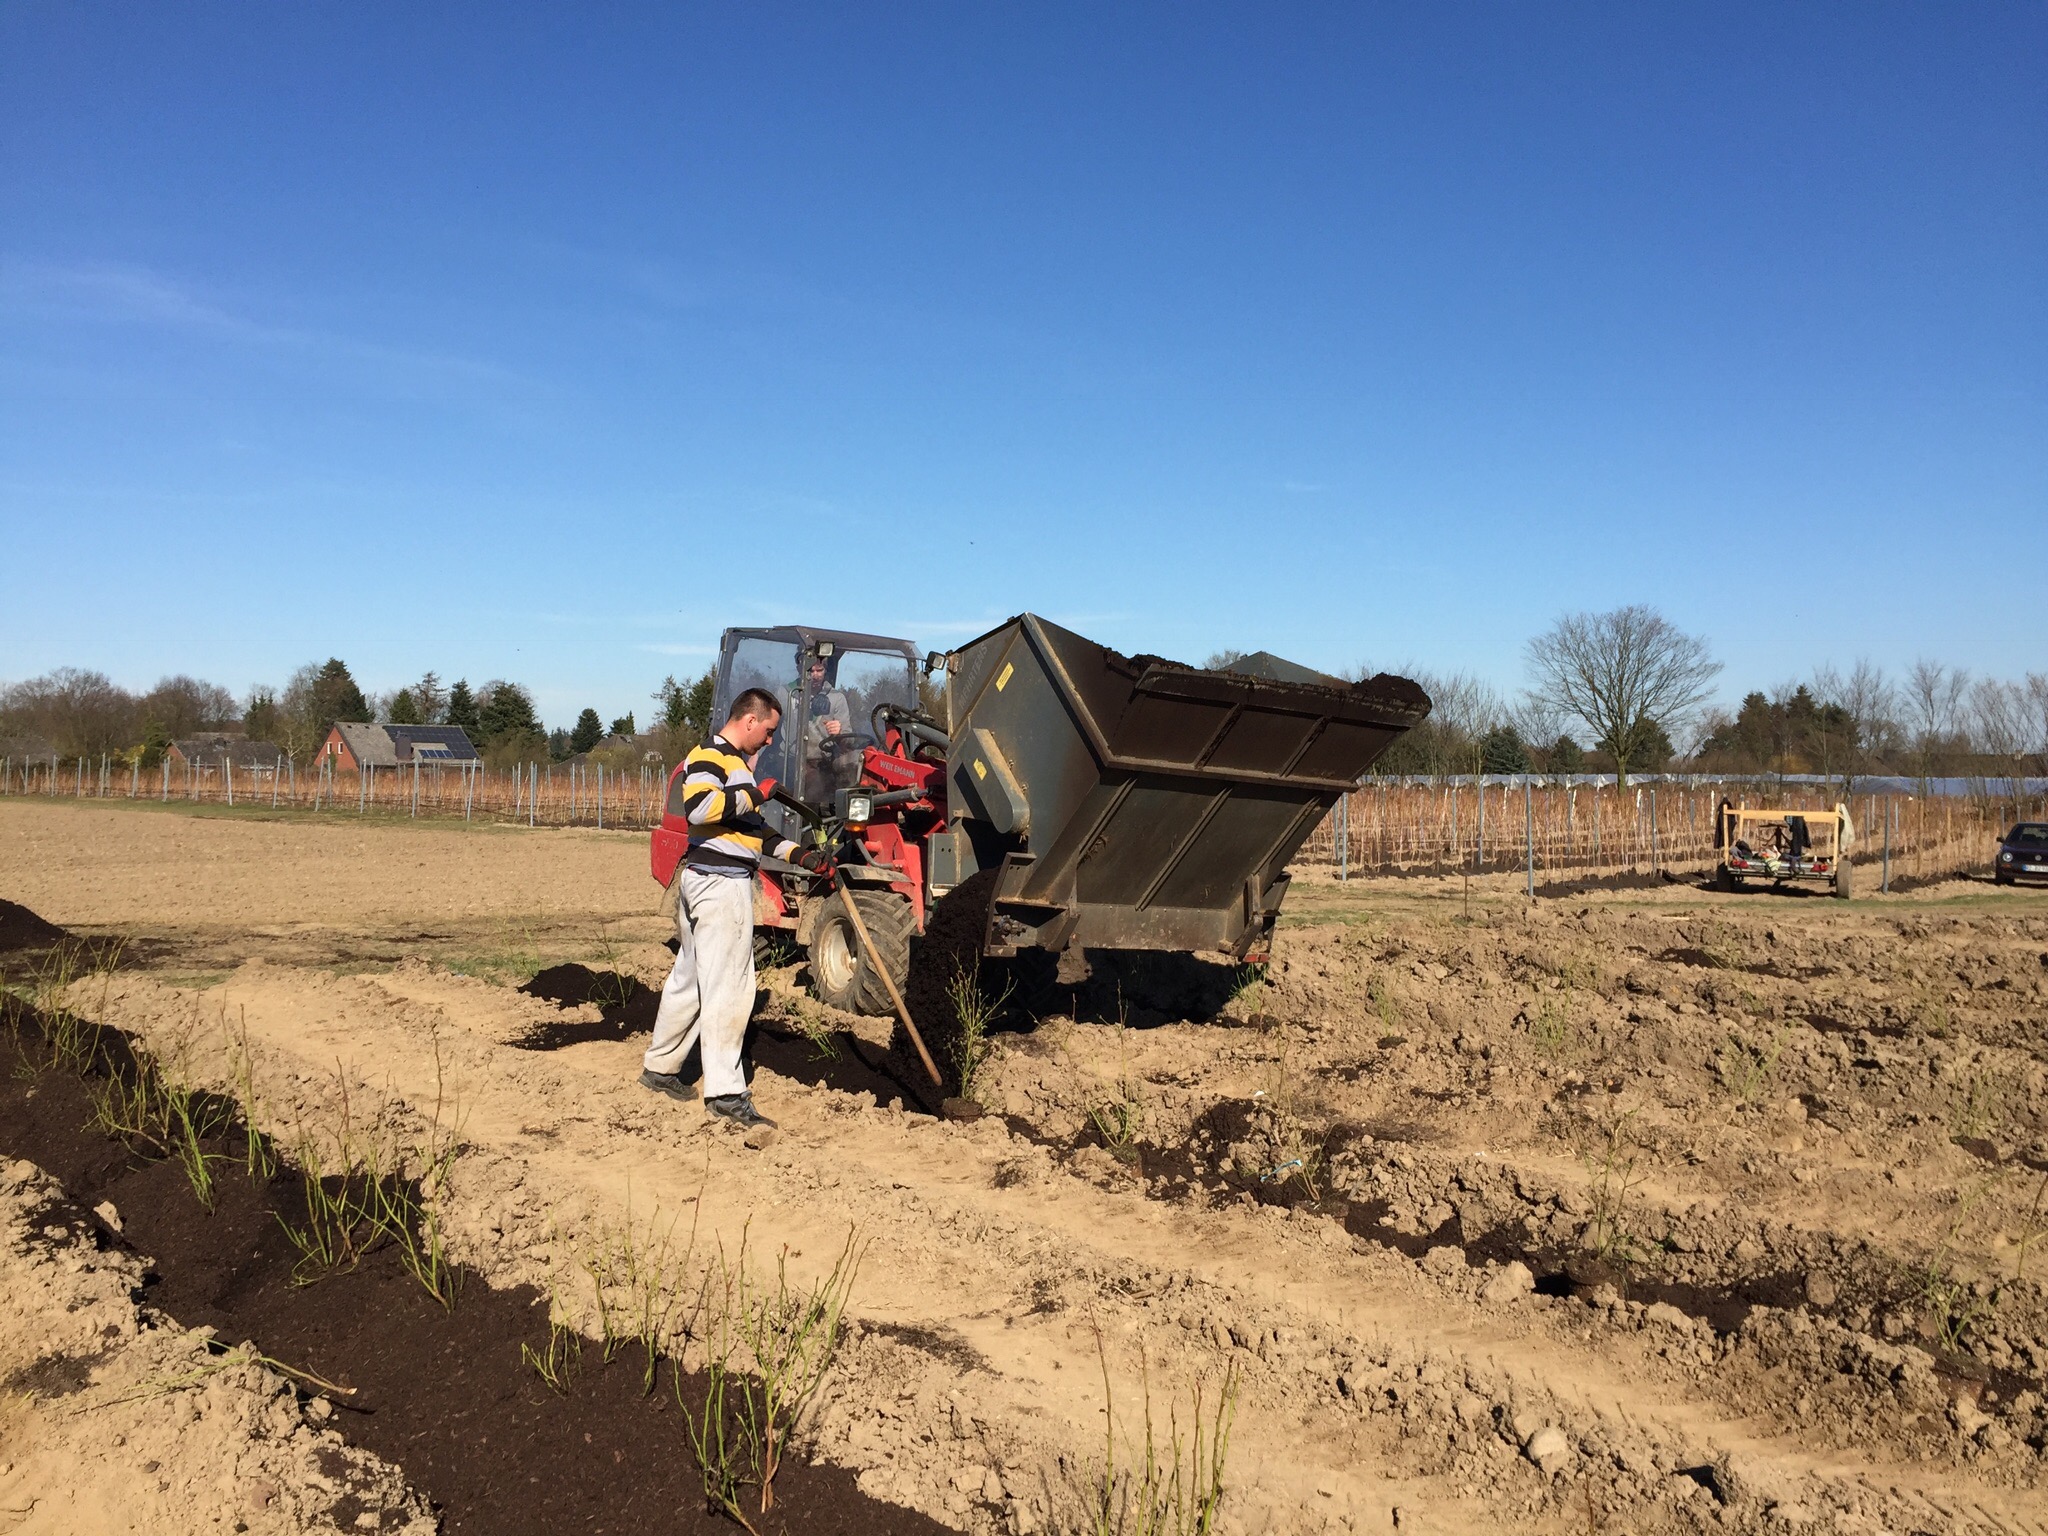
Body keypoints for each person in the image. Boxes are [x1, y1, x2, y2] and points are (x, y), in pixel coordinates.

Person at [640, 689, 826, 1128]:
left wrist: (803, 856)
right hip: (720, 885)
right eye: (768, 730)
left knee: (690, 980)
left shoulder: (737, 767)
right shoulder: (711, 755)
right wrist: (756, 794)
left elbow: (755, 831)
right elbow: (700, 808)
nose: (769, 740)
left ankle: (660, 1069)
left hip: (707, 881)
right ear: (749, 720)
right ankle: (725, 1093)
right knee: (731, 987)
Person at [794, 653, 854, 803]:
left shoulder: (836, 698)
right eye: (810, 670)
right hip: (788, 761)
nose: (814, 675)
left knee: (819, 785)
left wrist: (839, 733)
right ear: (799, 668)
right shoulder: (787, 694)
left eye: (819, 670)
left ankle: (813, 824)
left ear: (825, 670)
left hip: (820, 763)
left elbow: (849, 741)